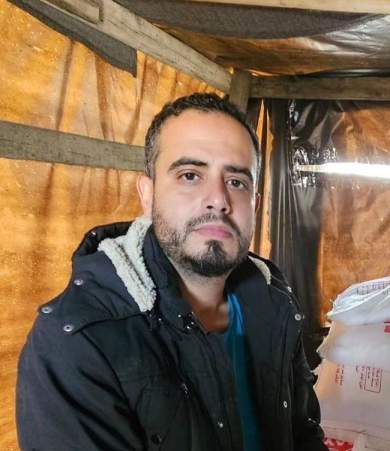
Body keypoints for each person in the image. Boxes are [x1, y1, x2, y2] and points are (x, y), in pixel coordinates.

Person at [16, 93, 327, 450]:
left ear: (255, 205)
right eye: (190, 175)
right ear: (147, 195)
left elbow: (303, 435)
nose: (218, 199)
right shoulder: (77, 343)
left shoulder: (274, 302)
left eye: (236, 182)